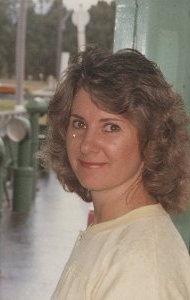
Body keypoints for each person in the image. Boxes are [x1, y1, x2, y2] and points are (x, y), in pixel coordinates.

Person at [43, 45, 190, 299]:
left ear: (153, 137)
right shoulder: (113, 230)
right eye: (79, 123)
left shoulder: (141, 266)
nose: (87, 145)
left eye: (111, 127)